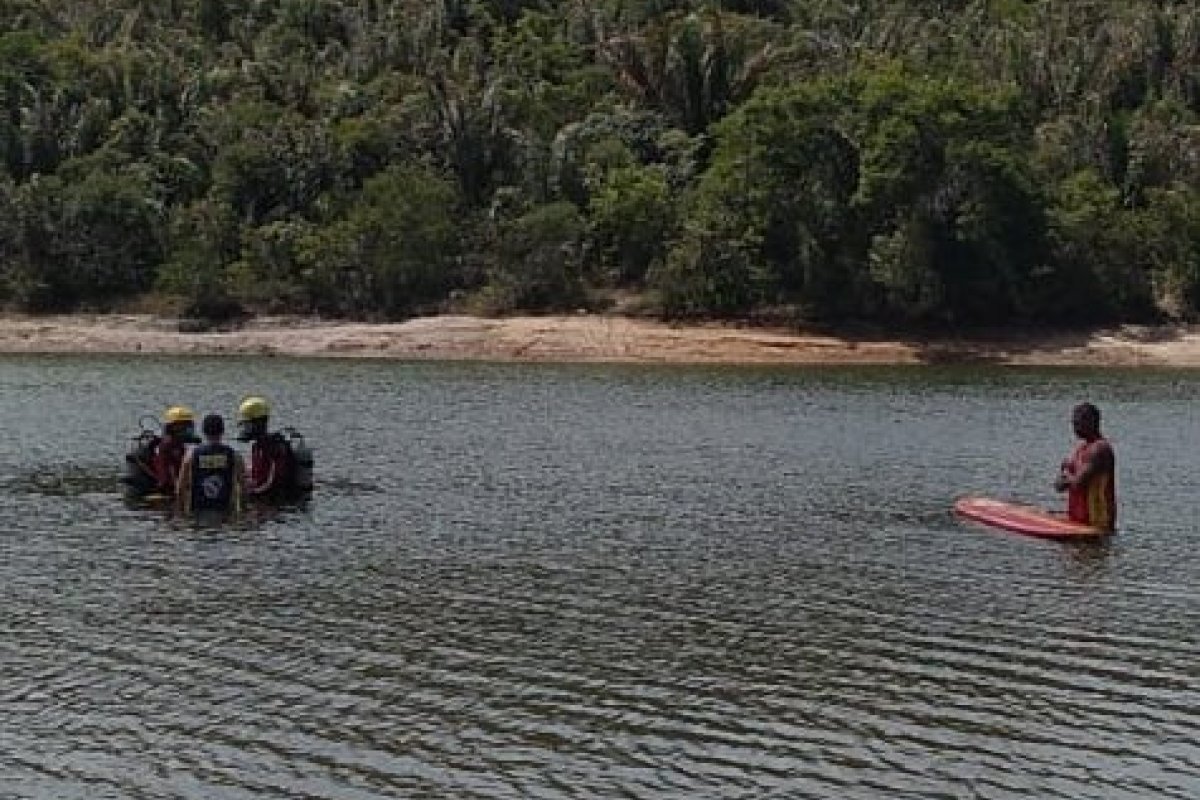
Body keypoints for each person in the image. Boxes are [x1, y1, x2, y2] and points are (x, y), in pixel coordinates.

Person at [1054, 402, 1116, 530]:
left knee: (1094, 550)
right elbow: (1059, 486)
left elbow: (1078, 483)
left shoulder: (1100, 449)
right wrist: (1065, 475)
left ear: (1091, 422)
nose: (1074, 428)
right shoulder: (1081, 448)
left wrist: (1066, 476)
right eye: (1073, 423)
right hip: (1078, 522)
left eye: (1078, 423)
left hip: (1097, 523)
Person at [176, 413, 245, 522]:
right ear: (222, 431)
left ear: (204, 431)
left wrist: (181, 514)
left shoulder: (191, 455)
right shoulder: (234, 456)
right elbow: (243, 487)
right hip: (225, 512)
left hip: (197, 512)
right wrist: (242, 512)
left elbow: (180, 488)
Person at [237, 395, 303, 501]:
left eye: (247, 425)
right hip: (264, 497)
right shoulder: (257, 446)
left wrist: (250, 494)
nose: (244, 429)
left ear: (257, 423)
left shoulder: (273, 448)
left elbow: (271, 483)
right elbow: (254, 474)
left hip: (275, 501)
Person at [150, 405, 198, 496]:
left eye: (188, 427)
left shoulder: (181, 445)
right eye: (183, 428)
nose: (187, 431)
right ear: (173, 428)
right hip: (169, 488)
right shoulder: (165, 447)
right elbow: (164, 476)